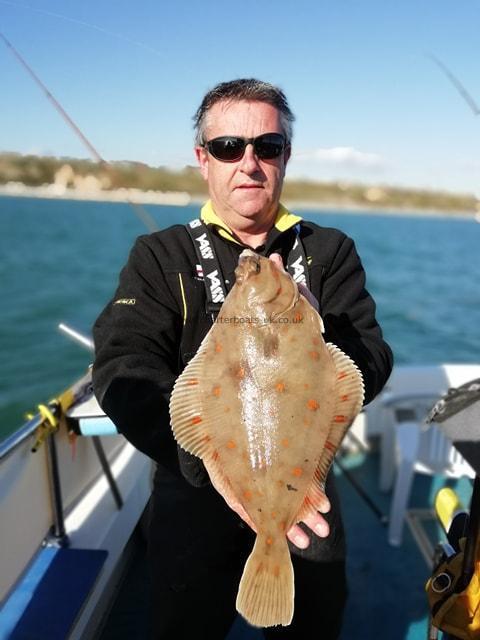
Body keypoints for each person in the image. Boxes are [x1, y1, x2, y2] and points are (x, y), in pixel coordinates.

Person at [92, 78, 393, 640]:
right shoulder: (161, 255)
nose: (249, 162)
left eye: (268, 147)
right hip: (194, 486)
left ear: (285, 158)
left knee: (312, 624)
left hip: (304, 485)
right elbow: (121, 364)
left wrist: (315, 336)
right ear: (203, 160)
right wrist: (201, 461)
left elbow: (370, 356)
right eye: (230, 147)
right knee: (184, 626)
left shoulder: (328, 252)